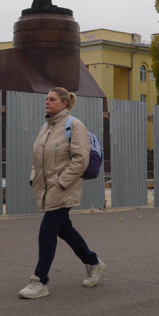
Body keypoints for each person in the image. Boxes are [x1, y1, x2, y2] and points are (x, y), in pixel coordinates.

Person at [18, 87, 106, 299]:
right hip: (47, 187)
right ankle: (93, 263)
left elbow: (80, 159)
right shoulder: (46, 127)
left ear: (64, 103)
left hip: (62, 188)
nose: (47, 102)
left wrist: (61, 182)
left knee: (47, 231)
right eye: (46, 98)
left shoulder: (74, 126)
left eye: (52, 99)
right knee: (64, 229)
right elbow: (38, 157)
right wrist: (34, 178)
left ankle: (40, 281)